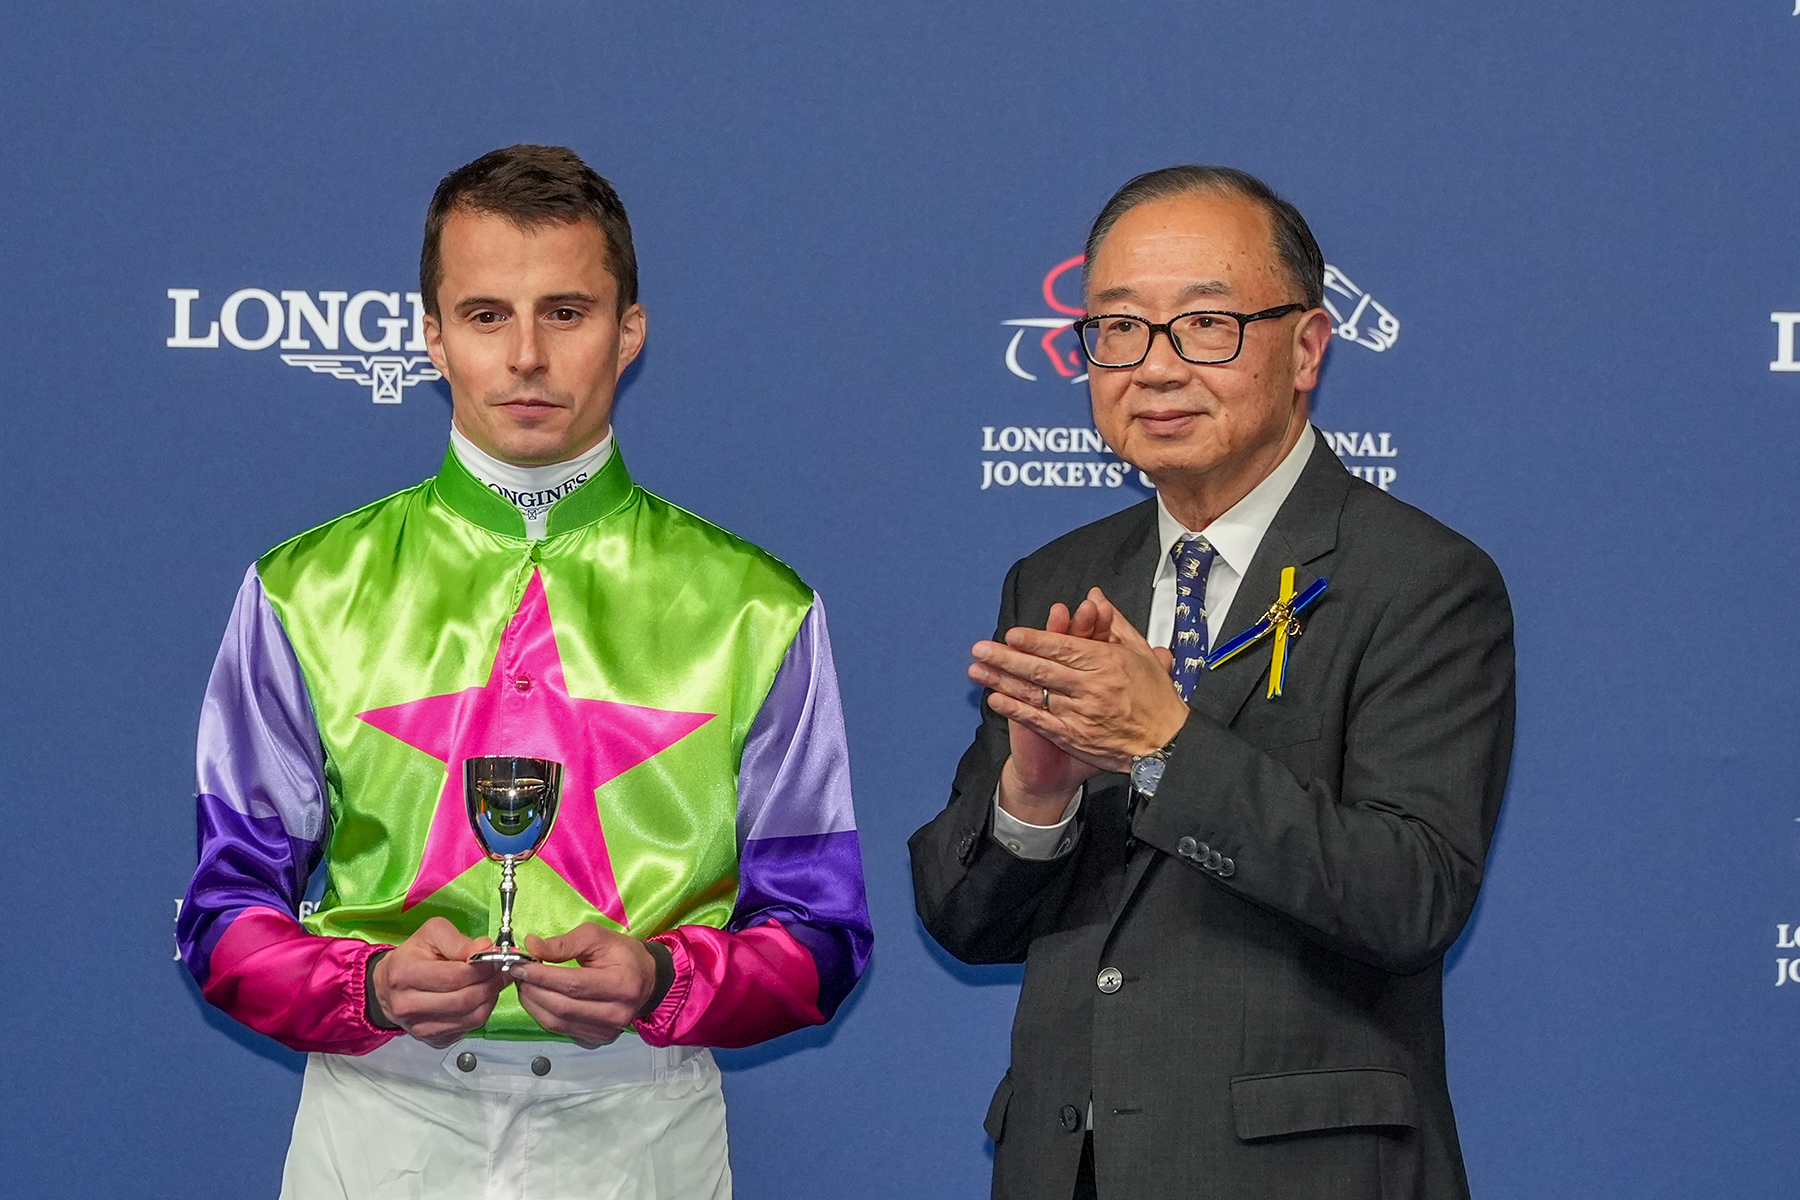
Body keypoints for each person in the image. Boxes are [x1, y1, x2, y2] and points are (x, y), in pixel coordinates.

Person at [178, 144, 871, 1200]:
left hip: (640, 1124)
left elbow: (822, 938)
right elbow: (222, 918)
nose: (528, 357)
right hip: (378, 1115)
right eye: (487, 315)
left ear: (629, 331)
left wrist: (664, 979)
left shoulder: (759, 607)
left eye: (567, 312)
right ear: (432, 335)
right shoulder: (301, 589)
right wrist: (367, 984)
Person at [909, 165, 1514, 1199]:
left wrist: (1165, 748)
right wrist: (1035, 798)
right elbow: (967, 921)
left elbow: (1410, 895)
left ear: (1307, 348)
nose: (1155, 367)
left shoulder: (1421, 580)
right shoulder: (1059, 576)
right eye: (1119, 329)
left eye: (1205, 326)